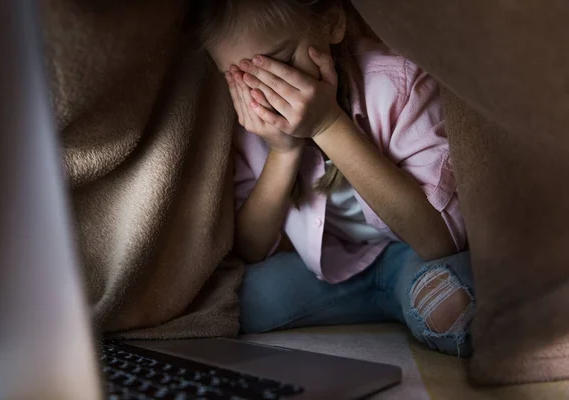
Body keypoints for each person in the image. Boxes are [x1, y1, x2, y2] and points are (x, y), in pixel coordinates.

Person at [193, 0, 475, 356]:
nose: (266, 95)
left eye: (279, 65)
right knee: (232, 303)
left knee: (452, 307)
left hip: (412, 254)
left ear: (331, 24)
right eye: (243, 80)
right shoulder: (249, 116)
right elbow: (251, 249)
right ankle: (389, 304)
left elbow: (439, 242)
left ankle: (405, 296)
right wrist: (284, 151)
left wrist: (327, 124)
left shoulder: (399, 82)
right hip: (329, 267)